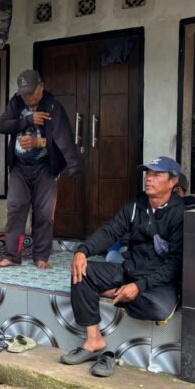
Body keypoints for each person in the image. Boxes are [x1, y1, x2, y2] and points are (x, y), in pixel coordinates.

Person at [60, 156, 184, 377]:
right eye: (148, 174)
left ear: (173, 181)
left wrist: (139, 286)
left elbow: (175, 263)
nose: (149, 179)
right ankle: (93, 340)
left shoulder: (180, 214)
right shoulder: (135, 207)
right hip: (130, 270)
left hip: (158, 279)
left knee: (158, 309)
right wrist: (82, 251)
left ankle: (114, 293)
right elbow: (110, 231)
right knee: (82, 271)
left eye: (157, 174)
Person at [0, 69, 80, 269]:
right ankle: (12, 256)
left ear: (41, 86)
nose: (27, 97)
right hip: (19, 167)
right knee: (15, 208)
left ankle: (41, 256)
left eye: (31, 93)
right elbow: (1, 125)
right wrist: (27, 121)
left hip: (45, 168)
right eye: (24, 93)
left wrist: (39, 142)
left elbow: (63, 140)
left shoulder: (53, 106)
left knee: (44, 213)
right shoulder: (16, 103)